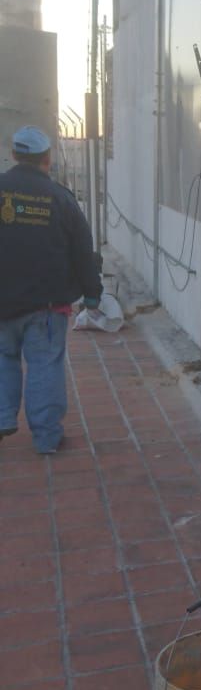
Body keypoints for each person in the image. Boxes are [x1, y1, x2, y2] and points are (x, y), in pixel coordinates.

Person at [0, 126, 102, 454]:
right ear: (47, 158)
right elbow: (82, 249)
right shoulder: (61, 198)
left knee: (3, 359)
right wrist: (92, 293)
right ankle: (46, 438)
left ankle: (3, 419)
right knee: (45, 365)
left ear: (15, 155)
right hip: (46, 304)